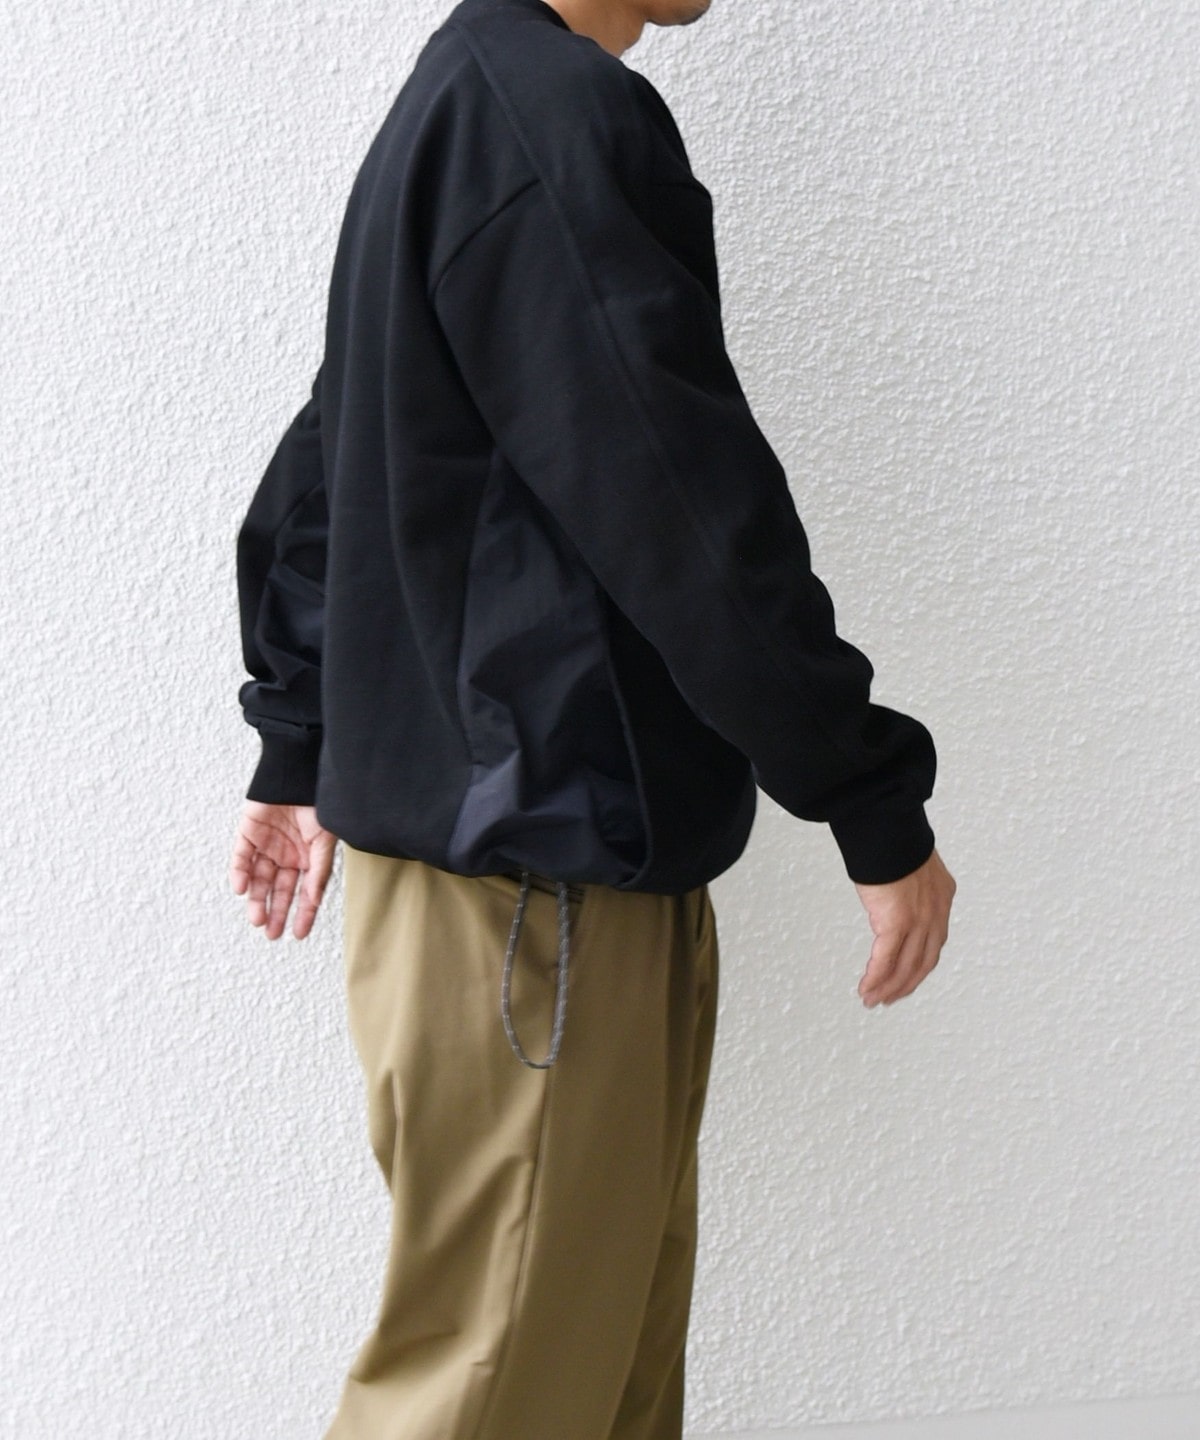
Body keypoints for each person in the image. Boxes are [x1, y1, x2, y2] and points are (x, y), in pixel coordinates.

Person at [227, 0, 958, 1434]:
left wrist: (298, 744)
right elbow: (683, 505)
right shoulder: (545, 118)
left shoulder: (463, 98)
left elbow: (327, 462)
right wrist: (866, 794)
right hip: (536, 892)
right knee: (498, 1394)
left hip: (532, 878)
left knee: (596, 1384)